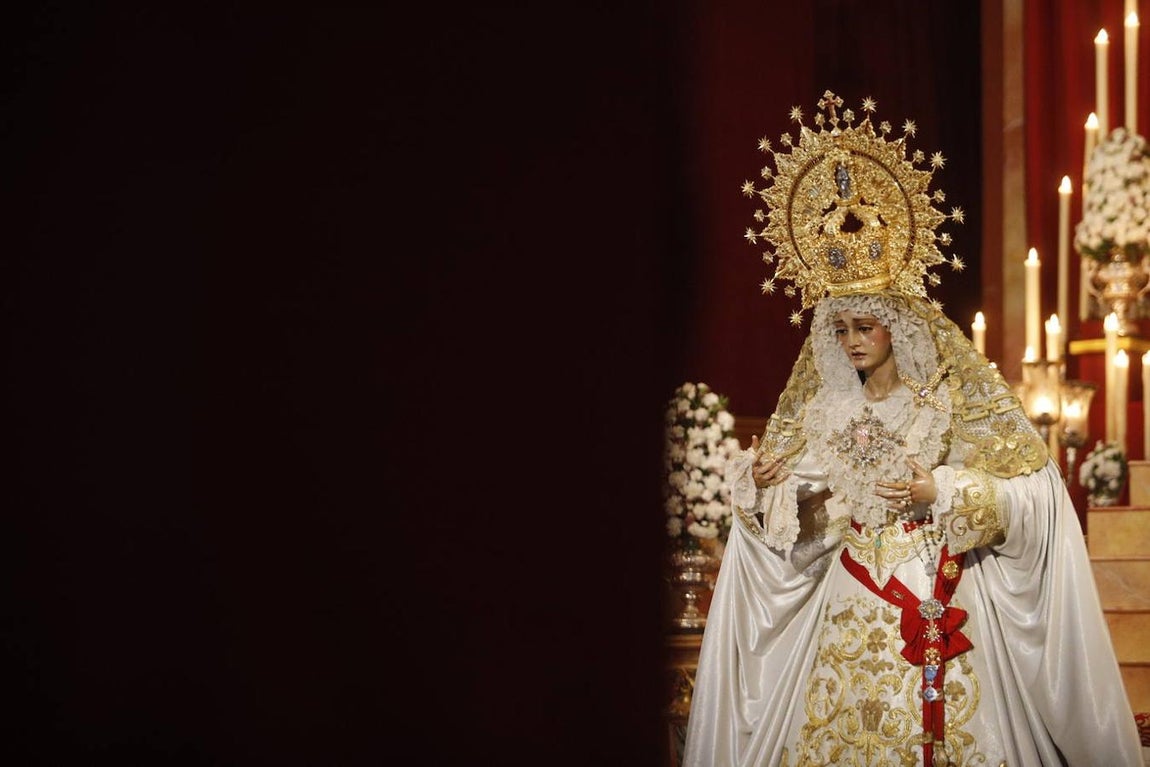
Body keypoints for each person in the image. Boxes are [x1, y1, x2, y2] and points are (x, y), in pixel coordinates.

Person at [682, 91, 1144, 766]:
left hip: (939, 600)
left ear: (897, 325)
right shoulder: (824, 412)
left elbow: (1034, 497)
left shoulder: (950, 404)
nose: (850, 343)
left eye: (863, 327)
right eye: (838, 329)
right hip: (846, 604)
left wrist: (946, 490)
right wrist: (764, 490)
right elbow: (806, 528)